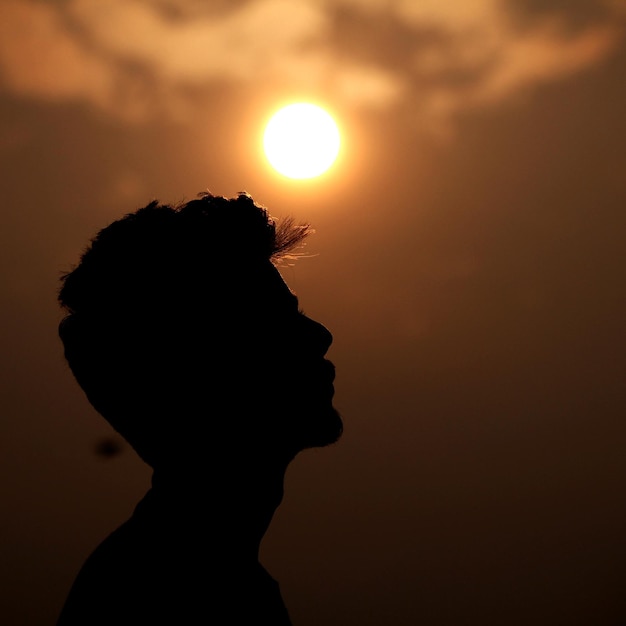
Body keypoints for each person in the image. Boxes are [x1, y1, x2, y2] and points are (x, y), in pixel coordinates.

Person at [56, 191, 343, 625]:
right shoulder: (179, 591)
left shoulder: (171, 573)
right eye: (271, 324)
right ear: (200, 367)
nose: (320, 336)